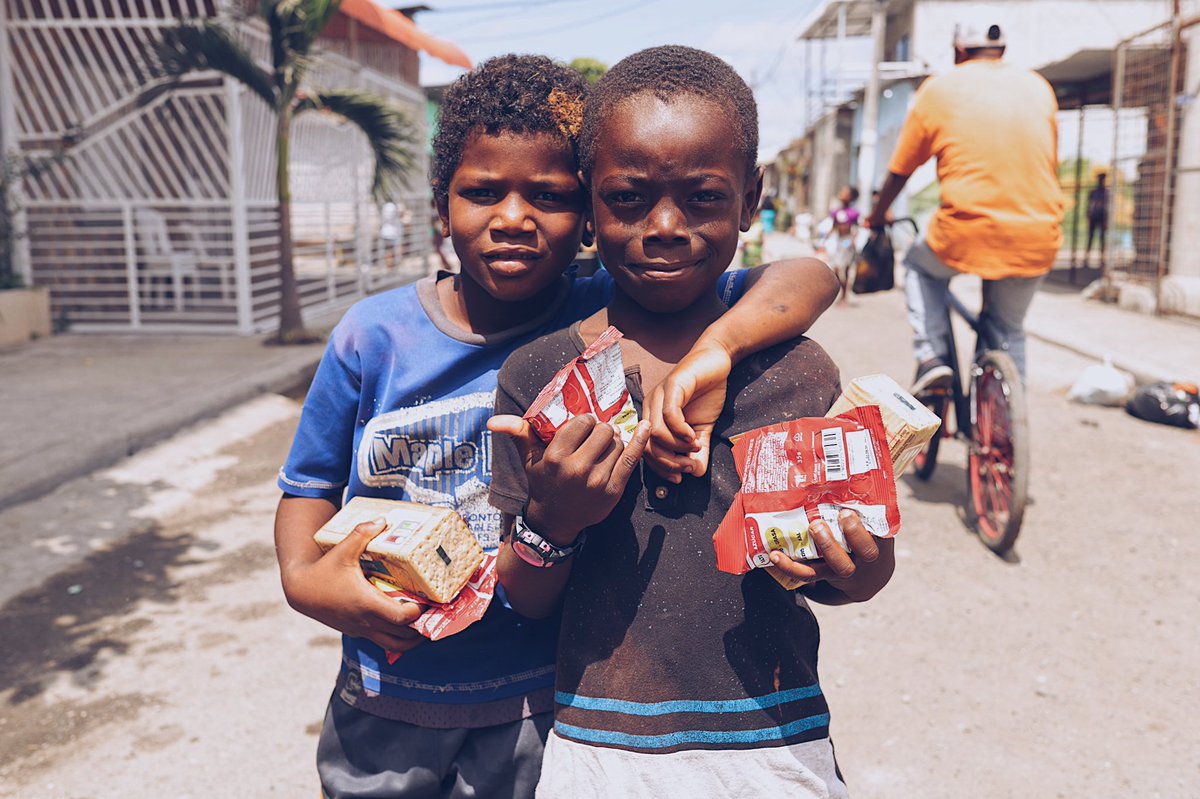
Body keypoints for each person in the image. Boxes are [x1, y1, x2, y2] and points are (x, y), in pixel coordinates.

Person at [274, 55, 840, 799]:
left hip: (537, 699)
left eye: (549, 195)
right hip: (389, 683)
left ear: (588, 217)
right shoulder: (371, 336)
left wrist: (716, 350)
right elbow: (308, 485)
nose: (514, 218)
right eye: (482, 192)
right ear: (441, 206)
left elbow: (808, 277)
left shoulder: (617, 301)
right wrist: (306, 581)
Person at [488, 45, 893, 797]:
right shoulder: (539, 378)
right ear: (587, 207)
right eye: (629, 198)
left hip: (774, 744)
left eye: (703, 197)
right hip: (600, 749)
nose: (666, 225)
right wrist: (556, 518)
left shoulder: (795, 372)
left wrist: (861, 570)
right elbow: (522, 593)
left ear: (750, 199)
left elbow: (844, 570)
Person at [867, 17, 1063, 390]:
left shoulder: (939, 89)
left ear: (959, 50)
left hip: (964, 233)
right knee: (1009, 328)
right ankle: (1004, 411)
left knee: (919, 267)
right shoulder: (1039, 87)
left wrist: (876, 215)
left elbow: (900, 170)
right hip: (1037, 234)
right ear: (1002, 50)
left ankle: (931, 357)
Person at [1086, 172, 1108, 267]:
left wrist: (1106, 219)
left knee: (1102, 239)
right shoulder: (1093, 192)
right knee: (1090, 238)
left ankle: (1102, 259)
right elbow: (1089, 206)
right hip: (1094, 217)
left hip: (1102, 217)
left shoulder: (1106, 193)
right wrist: (1088, 217)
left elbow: (1108, 207)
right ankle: (1086, 258)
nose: (1101, 181)